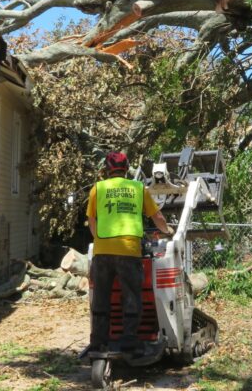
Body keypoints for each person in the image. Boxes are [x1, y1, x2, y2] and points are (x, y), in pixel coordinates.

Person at [86, 151, 172, 357]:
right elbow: (157, 217)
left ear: (106, 170)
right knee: (131, 298)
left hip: (102, 252)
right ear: (126, 169)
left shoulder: (98, 189)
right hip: (129, 251)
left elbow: (92, 221)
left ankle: (98, 343)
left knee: (101, 299)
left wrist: (100, 240)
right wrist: (168, 231)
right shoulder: (138, 188)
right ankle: (130, 343)